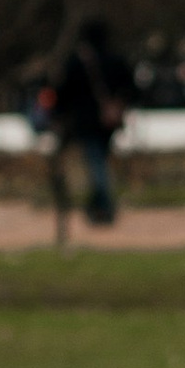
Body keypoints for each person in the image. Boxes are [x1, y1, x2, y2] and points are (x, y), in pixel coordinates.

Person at [48, 16, 131, 226]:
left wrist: (57, 115)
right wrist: (118, 105)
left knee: (95, 163)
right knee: (99, 160)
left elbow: (63, 93)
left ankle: (104, 206)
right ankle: (98, 206)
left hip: (85, 121)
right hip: (108, 123)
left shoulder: (79, 62)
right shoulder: (116, 60)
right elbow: (132, 88)